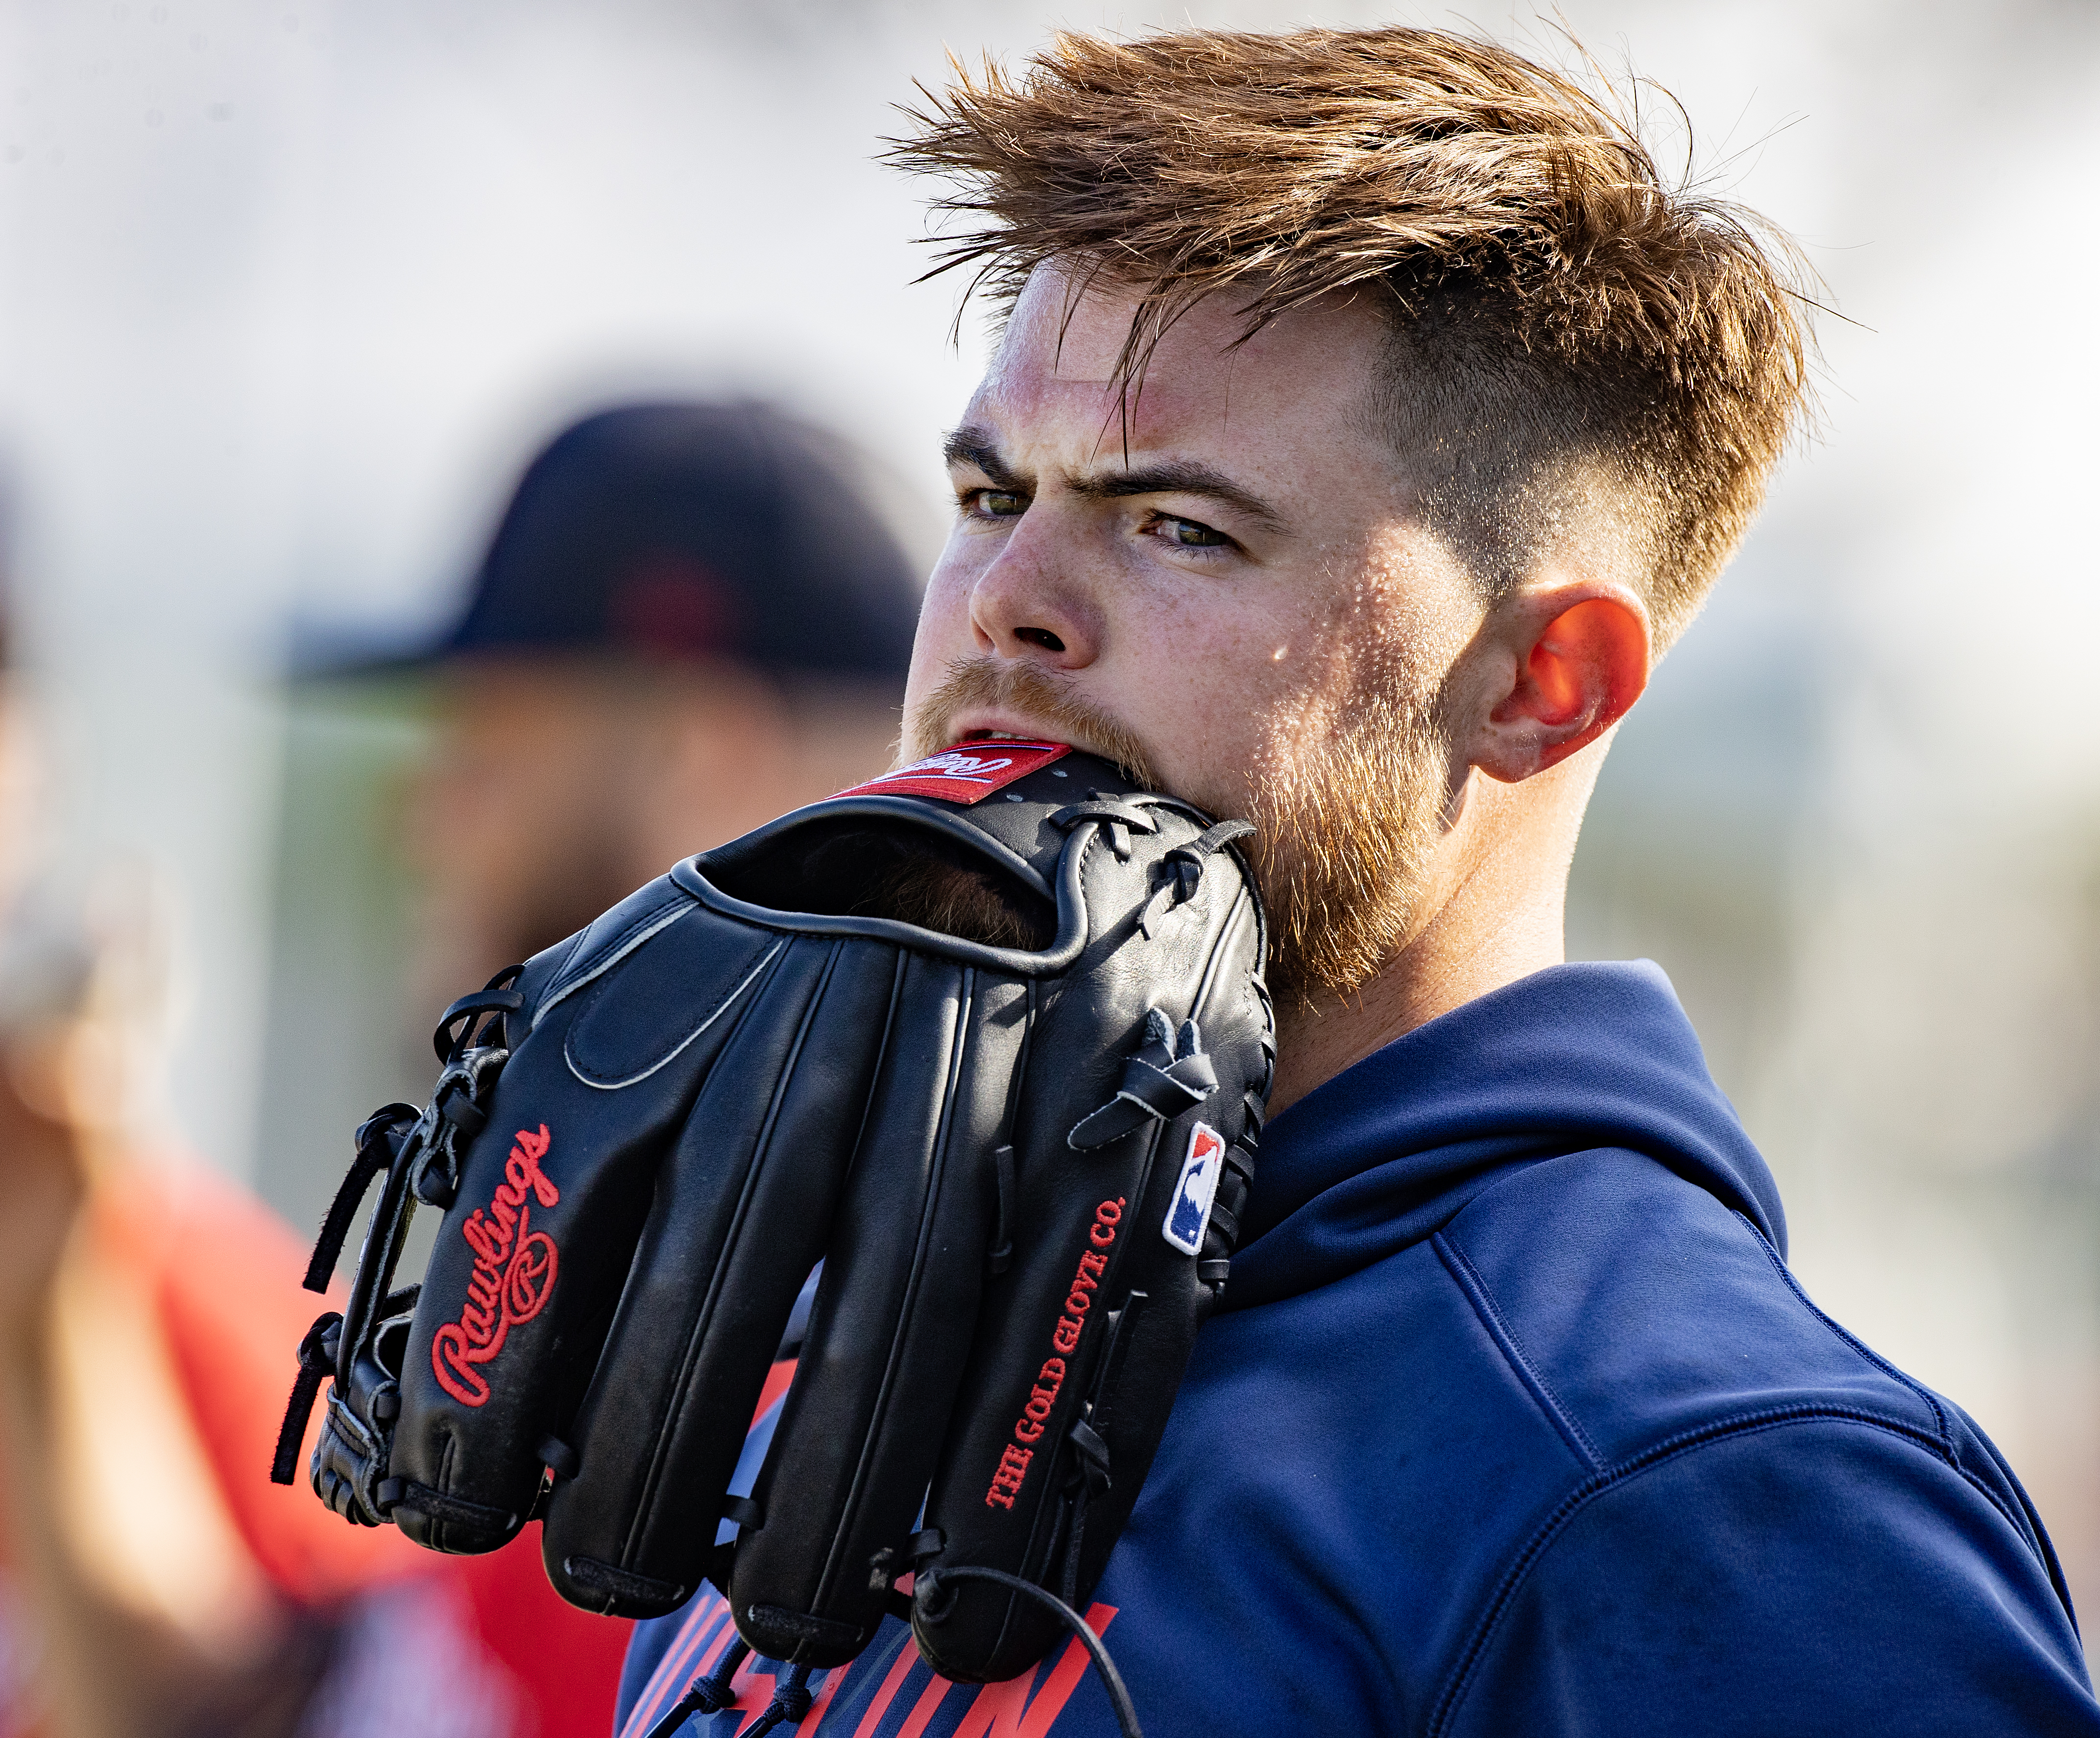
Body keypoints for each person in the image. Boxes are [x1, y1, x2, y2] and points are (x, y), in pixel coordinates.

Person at [616, 24, 2100, 1737]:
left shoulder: (1697, 1487)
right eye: (987, 490)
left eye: (1179, 525)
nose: (1004, 603)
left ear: (1545, 684)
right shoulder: (893, 1303)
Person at [0, 400, 921, 1738]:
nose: (423, 808)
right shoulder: (599, 1322)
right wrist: (54, 1318)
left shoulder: (803, 1404)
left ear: (690, 752)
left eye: (482, 741)